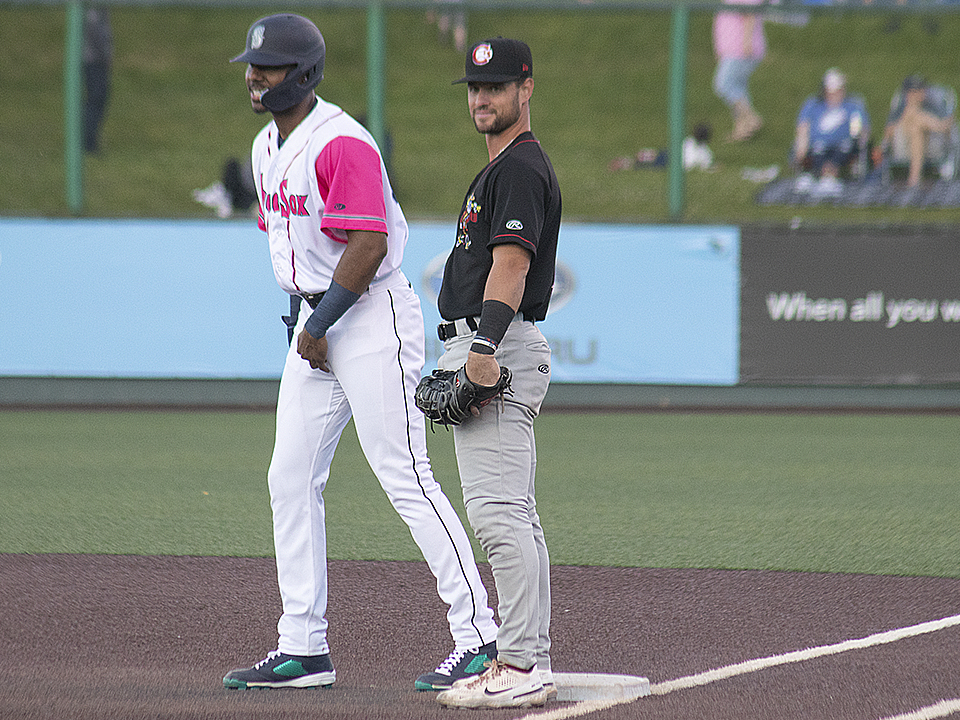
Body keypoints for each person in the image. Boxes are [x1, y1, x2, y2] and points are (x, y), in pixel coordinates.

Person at [221, 13, 498, 692]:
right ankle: (304, 646)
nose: (256, 76)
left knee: (403, 475)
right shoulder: (264, 147)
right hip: (317, 320)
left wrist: (319, 325)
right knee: (289, 478)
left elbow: (367, 244)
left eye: (271, 66)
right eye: (253, 66)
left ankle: (482, 637)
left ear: (306, 72)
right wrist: (306, 323)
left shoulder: (341, 142)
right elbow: (292, 246)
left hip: (369, 314)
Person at [430, 37, 561, 709]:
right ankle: (527, 656)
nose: (482, 97)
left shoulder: (517, 168)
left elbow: (510, 264)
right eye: (476, 87)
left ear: (526, 89)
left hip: (497, 349)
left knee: (497, 514)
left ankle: (519, 664)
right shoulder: (504, 167)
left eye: (498, 85)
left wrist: (482, 349)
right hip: (499, 346)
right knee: (515, 515)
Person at [792, 68, 870, 195]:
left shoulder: (853, 105)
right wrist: (801, 146)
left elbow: (860, 129)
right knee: (817, 148)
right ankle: (815, 177)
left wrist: (858, 136)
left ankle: (829, 178)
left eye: (838, 90)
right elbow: (803, 126)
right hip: (817, 144)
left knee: (846, 146)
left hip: (843, 144)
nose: (835, 94)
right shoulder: (813, 104)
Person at [881, 74, 956, 187]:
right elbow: (888, 132)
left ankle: (914, 178)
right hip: (904, 145)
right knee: (913, 114)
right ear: (908, 94)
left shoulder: (932, 105)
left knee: (916, 126)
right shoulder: (900, 108)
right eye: (917, 91)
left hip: (931, 145)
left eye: (922, 89)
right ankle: (915, 178)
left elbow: (950, 121)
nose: (922, 92)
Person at [712, 0, 766, 142]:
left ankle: (751, 117)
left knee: (723, 84)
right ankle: (742, 130)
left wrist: (747, 42)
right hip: (732, 50)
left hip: (739, 50)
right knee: (738, 88)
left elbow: (750, 15)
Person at [82, 6, 112, 154]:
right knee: (96, 99)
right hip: (94, 61)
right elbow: (93, 30)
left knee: (98, 99)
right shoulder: (94, 9)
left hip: (96, 60)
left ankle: (89, 141)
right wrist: (104, 55)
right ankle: (88, 143)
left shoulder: (100, 9)